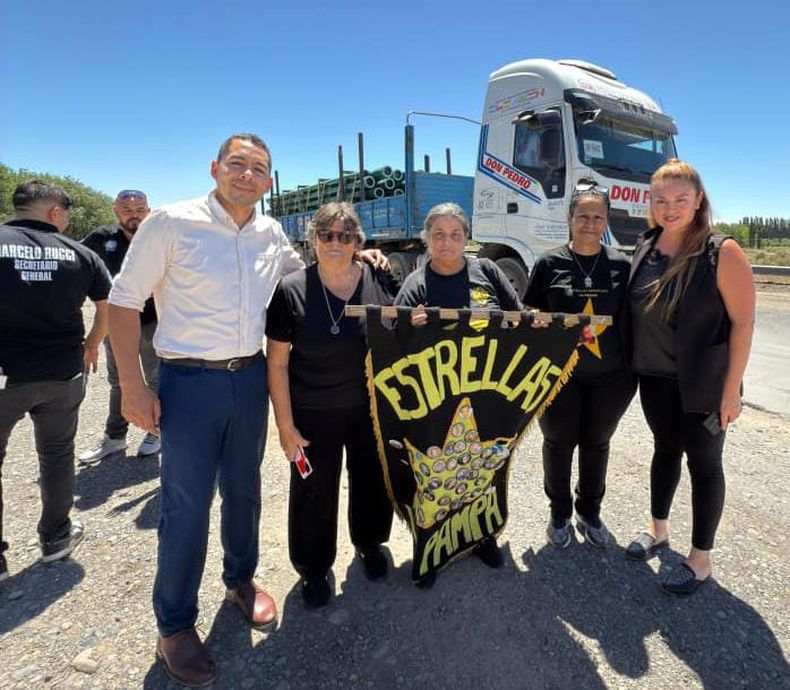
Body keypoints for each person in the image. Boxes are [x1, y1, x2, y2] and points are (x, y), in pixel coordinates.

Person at [108, 134, 388, 686]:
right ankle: (176, 625)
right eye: (237, 164)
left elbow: (307, 274)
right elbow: (122, 301)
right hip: (188, 380)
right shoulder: (170, 222)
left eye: (259, 168)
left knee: (245, 492)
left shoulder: (270, 233)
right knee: (185, 506)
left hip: (250, 378)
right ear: (215, 168)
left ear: (267, 181)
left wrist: (365, 252)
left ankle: (240, 581)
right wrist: (133, 388)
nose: (247, 175)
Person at [625, 159, 755, 596]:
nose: (670, 207)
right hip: (655, 379)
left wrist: (732, 389)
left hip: (704, 384)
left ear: (699, 200)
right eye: (660, 199)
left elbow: (743, 323)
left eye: (680, 198)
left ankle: (700, 559)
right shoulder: (647, 244)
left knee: (704, 465)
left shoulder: (722, 251)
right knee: (664, 452)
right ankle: (658, 529)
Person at [266, 203, 396, 608]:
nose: (335, 242)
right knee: (313, 491)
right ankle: (314, 567)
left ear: (359, 242)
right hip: (312, 412)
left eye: (345, 236)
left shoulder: (379, 276)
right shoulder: (290, 290)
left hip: (369, 410)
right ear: (313, 241)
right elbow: (277, 362)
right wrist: (285, 426)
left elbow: (405, 325)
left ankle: (370, 543)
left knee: (373, 481)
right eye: (326, 235)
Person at [395, 201, 522, 585]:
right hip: (436, 398)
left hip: (487, 392)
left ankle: (482, 536)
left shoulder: (488, 271)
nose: (447, 242)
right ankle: (431, 546)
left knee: (485, 468)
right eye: (438, 235)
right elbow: (390, 342)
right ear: (427, 241)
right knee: (434, 478)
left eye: (455, 234)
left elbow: (518, 317)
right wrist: (408, 326)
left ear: (466, 238)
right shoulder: (415, 284)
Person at [0, 181, 111, 581]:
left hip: (4, 376)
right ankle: (56, 538)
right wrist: (91, 346)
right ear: (55, 213)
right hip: (63, 371)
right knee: (57, 454)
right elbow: (107, 308)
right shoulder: (81, 254)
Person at [523, 181, 635, 549]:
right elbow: (530, 311)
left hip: (611, 378)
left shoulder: (622, 264)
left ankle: (590, 510)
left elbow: (636, 319)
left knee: (596, 443)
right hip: (558, 376)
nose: (590, 223)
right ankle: (559, 512)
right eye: (582, 215)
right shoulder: (548, 263)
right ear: (568, 218)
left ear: (606, 221)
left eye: (598, 217)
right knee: (558, 443)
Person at [80, 189, 160, 463]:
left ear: (148, 211)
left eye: (139, 209)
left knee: (156, 379)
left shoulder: (158, 237)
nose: (133, 215)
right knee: (119, 382)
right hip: (115, 323)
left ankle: (156, 431)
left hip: (153, 322)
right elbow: (79, 266)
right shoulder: (101, 239)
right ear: (116, 210)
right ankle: (115, 438)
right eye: (127, 210)